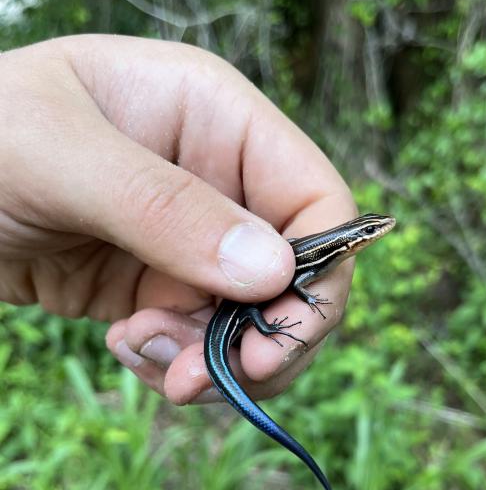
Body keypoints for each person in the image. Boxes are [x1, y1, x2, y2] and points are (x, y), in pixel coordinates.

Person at [0, 35, 357, 404]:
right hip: (234, 314)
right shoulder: (312, 257)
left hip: (228, 317)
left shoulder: (319, 256)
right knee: (255, 322)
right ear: (352, 241)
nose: (374, 234)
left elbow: (297, 282)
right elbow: (295, 281)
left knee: (252, 340)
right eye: (370, 230)